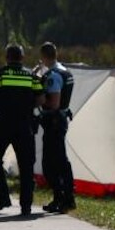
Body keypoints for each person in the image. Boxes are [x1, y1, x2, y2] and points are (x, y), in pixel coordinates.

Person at [0, 44, 45, 216]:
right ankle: (26, 206)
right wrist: (26, 104)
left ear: (7, 57)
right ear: (22, 58)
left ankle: (3, 197)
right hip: (24, 125)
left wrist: (0, 101)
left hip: (3, 124)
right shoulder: (31, 76)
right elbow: (41, 98)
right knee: (26, 166)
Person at [33, 42, 76, 213]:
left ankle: (63, 198)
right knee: (60, 161)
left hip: (54, 122)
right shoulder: (66, 71)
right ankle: (65, 198)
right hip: (61, 120)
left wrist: (38, 99)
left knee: (51, 163)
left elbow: (54, 103)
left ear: (43, 57)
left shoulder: (53, 76)